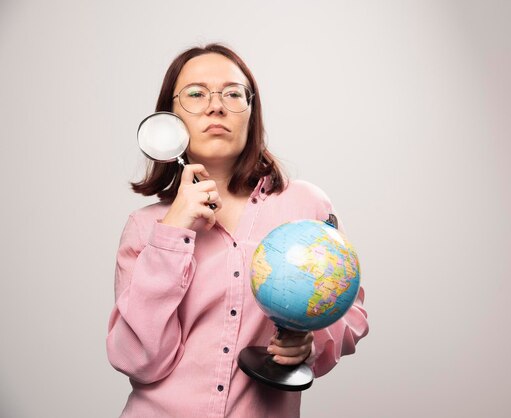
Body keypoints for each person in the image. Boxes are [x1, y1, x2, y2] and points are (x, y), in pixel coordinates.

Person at [106, 43, 369, 418]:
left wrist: (310, 343)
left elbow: (349, 312)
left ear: (252, 112)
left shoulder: (307, 207)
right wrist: (173, 232)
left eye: (232, 93)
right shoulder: (146, 226)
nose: (216, 106)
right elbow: (139, 359)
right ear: (171, 116)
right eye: (196, 94)